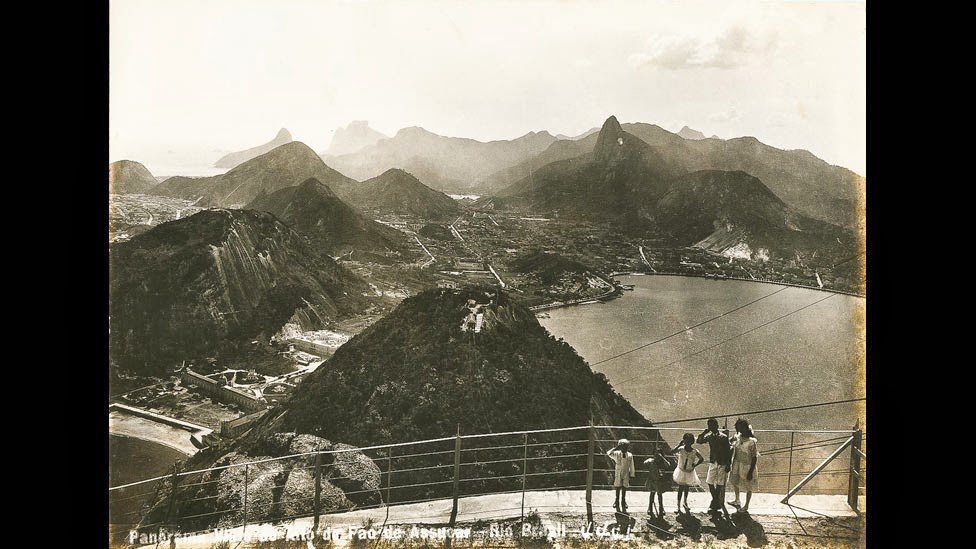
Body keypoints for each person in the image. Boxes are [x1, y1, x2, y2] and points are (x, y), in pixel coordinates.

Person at [696, 418, 732, 517]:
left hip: (722, 463)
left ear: (717, 426)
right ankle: (716, 501)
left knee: (720, 483)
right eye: (709, 426)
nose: (711, 428)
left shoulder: (723, 437)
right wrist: (704, 432)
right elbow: (699, 441)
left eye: (713, 426)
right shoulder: (710, 436)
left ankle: (714, 503)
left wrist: (729, 464)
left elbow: (729, 451)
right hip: (713, 462)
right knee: (710, 482)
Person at [727, 418, 760, 513]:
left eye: (742, 428)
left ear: (746, 428)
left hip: (747, 466)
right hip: (737, 463)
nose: (740, 430)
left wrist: (750, 471)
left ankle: (746, 505)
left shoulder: (751, 442)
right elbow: (728, 442)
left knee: (748, 486)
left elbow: (754, 457)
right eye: (738, 428)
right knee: (735, 482)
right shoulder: (737, 437)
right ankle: (737, 500)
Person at [672, 433, 704, 514]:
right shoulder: (681, 449)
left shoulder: (694, 451)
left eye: (689, 441)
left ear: (692, 442)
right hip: (681, 471)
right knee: (680, 489)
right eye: (686, 441)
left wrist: (695, 465)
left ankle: (685, 502)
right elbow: (672, 452)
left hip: (689, 472)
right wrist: (679, 444)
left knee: (686, 488)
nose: (687, 443)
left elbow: (701, 459)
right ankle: (678, 506)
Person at [607, 438, 635, 511]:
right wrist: (616, 448)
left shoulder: (629, 455)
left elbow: (632, 465)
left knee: (624, 487)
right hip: (618, 472)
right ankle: (617, 501)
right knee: (618, 486)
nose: (625, 448)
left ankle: (623, 501)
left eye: (626, 446)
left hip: (626, 473)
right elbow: (608, 453)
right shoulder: (616, 454)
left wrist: (632, 474)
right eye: (623, 446)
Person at [643, 448, 671, 518]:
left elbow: (668, 465)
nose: (656, 457)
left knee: (659, 495)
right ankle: (650, 507)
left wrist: (662, 458)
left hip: (660, 481)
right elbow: (645, 463)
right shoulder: (651, 462)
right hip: (652, 480)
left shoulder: (662, 463)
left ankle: (661, 508)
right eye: (655, 455)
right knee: (652, 494)